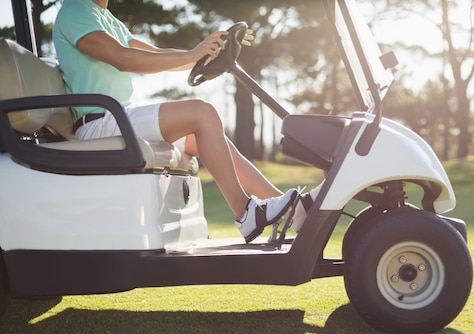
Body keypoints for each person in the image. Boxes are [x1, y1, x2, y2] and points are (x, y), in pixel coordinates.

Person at [52, 0, 298, 243]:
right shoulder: (76, 9)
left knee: (197, 136)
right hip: (100, 124)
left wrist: (209, 51)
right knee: (203, 113)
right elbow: (123, 58)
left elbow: (155, 55)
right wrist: (193, 53)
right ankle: (245, 213)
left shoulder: (108, 18)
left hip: (119, 118)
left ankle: (291, 212)